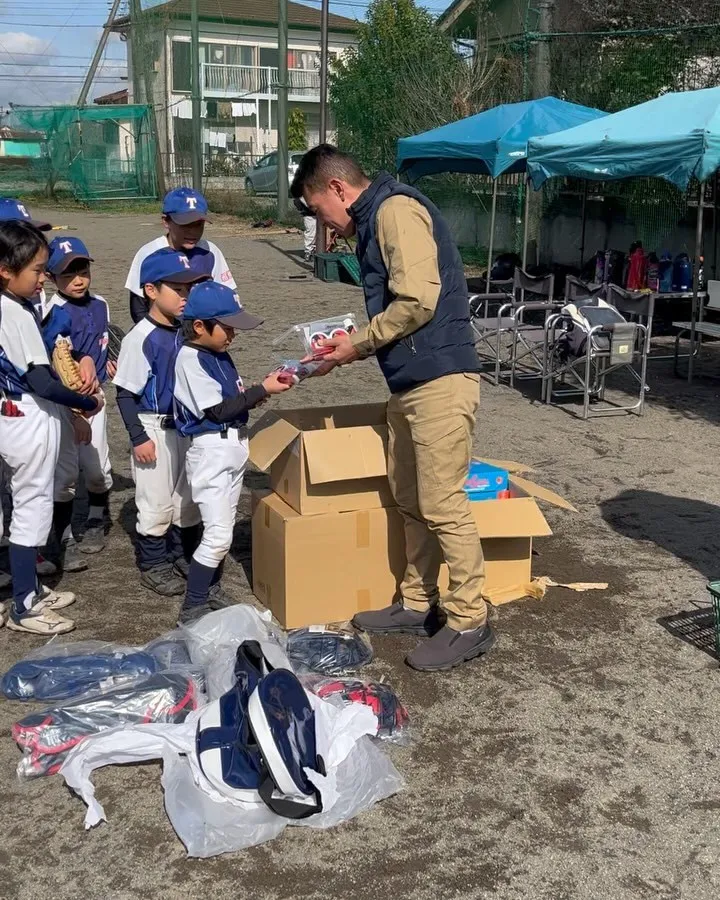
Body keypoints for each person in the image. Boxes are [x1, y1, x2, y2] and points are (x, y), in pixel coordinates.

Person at [291, 144, 495, 673]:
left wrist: (355, 344)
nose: (324, 225)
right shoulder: (373, 221)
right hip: (409, 385)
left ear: (336, 188)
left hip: (441, 383)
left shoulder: (395, 211)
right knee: (410, 498)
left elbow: (418, 301)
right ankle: (416, 601)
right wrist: (346, 349)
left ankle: (469, 618)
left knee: (443, 502)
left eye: (318, 210)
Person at [0, 220, 104, 635]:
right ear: (5, 269)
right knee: (31, 510)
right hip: (28, 416)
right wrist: (86, 402)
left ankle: (31, 589)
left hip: (13, 412)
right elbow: (41, 381)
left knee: (26, 507)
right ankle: (24, 605)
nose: (44, 277)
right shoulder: (14, 312)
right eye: (38, 270)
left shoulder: (13, 305)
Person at [173, 281, 292, 624]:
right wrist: (260, 390)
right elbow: (217, 412)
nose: (232, 335)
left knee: (221, 526)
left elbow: (233, 404)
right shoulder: (191, 358)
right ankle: (192, 605)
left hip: (231, 447)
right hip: (210, 449)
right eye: (226, 328)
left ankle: (209, 591)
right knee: (218, 533)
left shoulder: (217, 355)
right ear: (199, 326)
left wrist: (260, 391)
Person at [113, 247, 212, 597]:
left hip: (185, 426)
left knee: (186, 499)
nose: (186, 297)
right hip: (153, 426)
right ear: (151, 291)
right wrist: (138, 437)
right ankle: (153, 564)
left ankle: (181, 554)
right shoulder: (141, 337)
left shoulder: (188, 332)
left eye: (190, 289)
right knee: (155, 501)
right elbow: (124, 394)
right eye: (178, 290)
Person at [43, 236, 114, 568]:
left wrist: (109, 359)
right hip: (65, 405)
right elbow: (60, 362)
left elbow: (103, 338)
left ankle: (99, 515)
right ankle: (65, 537)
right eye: (67, 274)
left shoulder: (100, 303)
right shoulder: (50, 311)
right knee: (67, 473)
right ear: (51, 277)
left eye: (82, 270)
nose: (77, 279)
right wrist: (74, 411)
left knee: (97, 470)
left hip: (95, 399)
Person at [125, 187, 236, 324]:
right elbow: (138, 308)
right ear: (166, 221)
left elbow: (225, 299)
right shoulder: (149, 253)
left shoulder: (210, 251)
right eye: (185, 224)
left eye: (198, 224)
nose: (193, 232)